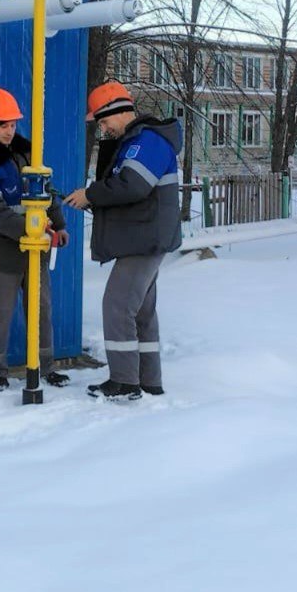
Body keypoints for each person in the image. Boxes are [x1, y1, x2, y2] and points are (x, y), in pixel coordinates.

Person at [63, 81, 182, 402]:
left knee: (117, 307)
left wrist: (90, 194)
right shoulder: (138, 142)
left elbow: (133, 186)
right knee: (141, 312)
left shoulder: (146, 142)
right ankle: (148, 380)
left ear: (117, 112)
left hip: (143, 240)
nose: (102, 128)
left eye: (103, 121)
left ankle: (125, 381)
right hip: (143, 236)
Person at [0, 87, 71, 394]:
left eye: (12, 125)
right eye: (3, 126)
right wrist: (35, 230)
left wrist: (58, 225)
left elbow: (45, 193)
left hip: (35, 249)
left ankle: (44, 366)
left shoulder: (27, 154)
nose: (10, 131)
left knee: (42, 308)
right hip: (3, 253)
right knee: (0, 311)